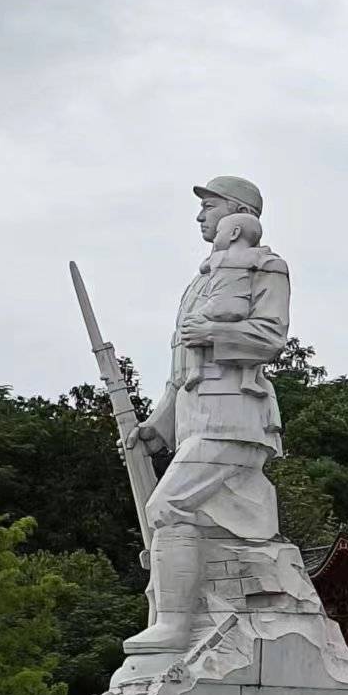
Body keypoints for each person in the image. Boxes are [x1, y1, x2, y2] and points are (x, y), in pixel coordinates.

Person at [126, 176, 290, 655]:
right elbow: (182, 371)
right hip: (197, 416)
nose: (201, 216)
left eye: (210, 206)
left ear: (236, 217)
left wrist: (216, 333)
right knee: (198, 521)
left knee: (168, 507)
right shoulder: (198, 282)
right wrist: (159, 425)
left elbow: (271, 338)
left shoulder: (267, 266)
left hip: (235, 414)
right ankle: (193, 620)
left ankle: (174, 627)